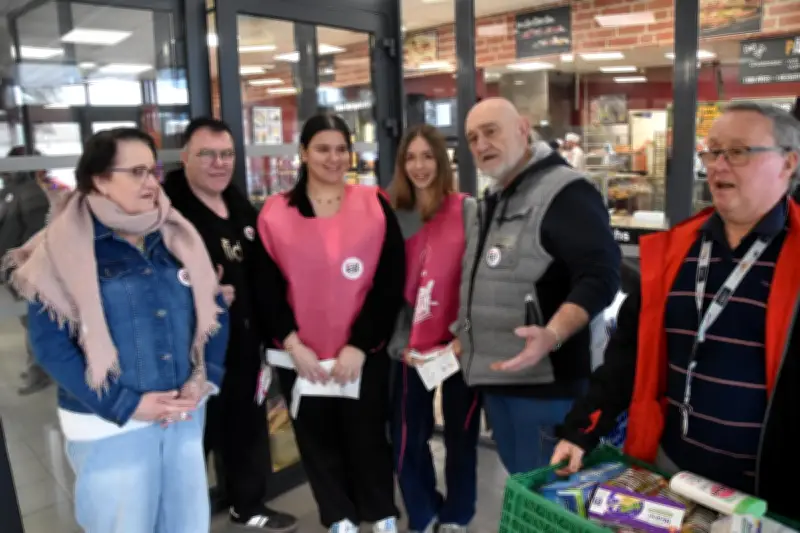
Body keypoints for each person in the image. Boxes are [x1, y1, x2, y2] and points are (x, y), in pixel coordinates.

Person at [551, 101, 800, 520]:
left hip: (766, 499)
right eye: (711, 151)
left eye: (737, 152)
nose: (718, 166)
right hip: (669, 481)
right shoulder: (676, 252)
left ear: (787, 164)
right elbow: (626, 355)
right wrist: (580, 430)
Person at [4, 128, 230, 533]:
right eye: (137, 171)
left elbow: (214, 309)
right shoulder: (61, 248)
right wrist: (126, 405)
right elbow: (51, 347)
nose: (151, 182)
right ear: (99, 180)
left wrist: (205, 380)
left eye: (154, 170)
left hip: (182, 415)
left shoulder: (177, 235)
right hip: (110, 425)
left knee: (185, 524)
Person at [453, 97, 620, 475]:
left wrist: (553, 334)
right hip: (499, 379)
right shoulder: (496, 196)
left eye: (491, 131)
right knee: (523, 483)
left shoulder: (566, 192)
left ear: (523, 129)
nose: (481, 145)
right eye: (472, 137)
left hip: (547, 386)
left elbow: (601, 275)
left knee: (547, 494)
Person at [258, 113, 405, 533]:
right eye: (323, 148)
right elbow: (266, 286)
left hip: (362, 354)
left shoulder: (374, 204)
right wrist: (292, 343)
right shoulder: (274, 213)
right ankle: (338, 518)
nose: (334, 157)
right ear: (304, 153)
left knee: (368, 438)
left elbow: (389, 280)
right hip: (303, 357)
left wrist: (359, 344)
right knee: (317, 441)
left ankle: (380, 514)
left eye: (342, 148)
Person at [163, 117, 298, 532]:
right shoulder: (167, 209)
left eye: (227, 155)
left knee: (246, 427)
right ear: (186, 157)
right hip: (194, 353)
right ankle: (177, 520)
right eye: (208, 154)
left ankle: (248, 505)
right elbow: (154, 281)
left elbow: (260, 271)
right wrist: (197, 296)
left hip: (245, 344)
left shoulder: (237, 202)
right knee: (193, 442)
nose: (220, 163)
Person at [386, 124, 480, 533]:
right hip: (411, 349)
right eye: (411, 157)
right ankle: (422, 512)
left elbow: (478, 278)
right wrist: (401, 343)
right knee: (407, 439)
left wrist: (463, 337)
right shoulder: (393, 215)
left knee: (461, 438)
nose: (419, 166)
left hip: (459, 346)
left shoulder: (468, 209)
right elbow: (386, 286)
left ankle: (458, 514)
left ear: (441, 162)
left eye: (427, 157)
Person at [0, 147, 62, 395]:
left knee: (35, 321)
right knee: (30, 321)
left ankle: (41, 370)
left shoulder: (30, 195)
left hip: (26, 271)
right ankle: (39, 366)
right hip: (13, 269)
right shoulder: (13, 192)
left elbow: (35, 237)